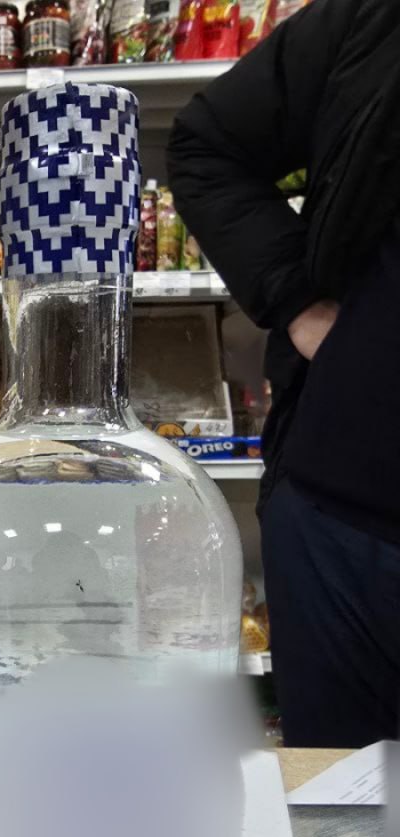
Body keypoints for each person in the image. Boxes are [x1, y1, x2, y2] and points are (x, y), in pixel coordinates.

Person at [167, 0, 400, 747]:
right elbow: (206, 145)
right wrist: (297, 301)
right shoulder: (373, 23)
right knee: (341, 807)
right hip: (346, 518)